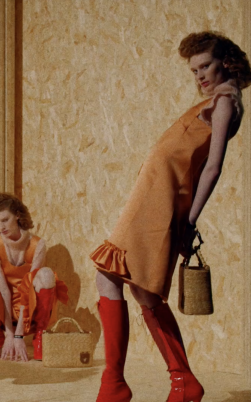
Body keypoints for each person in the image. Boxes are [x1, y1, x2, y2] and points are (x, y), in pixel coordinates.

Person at [90, 31, 250, 402]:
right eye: (194, 71)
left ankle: (117, 384)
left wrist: (189, 222)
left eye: (205, 66)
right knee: (141, 290)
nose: (200, 76)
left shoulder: (225, 103)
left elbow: (212, 168)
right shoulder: (216, 101)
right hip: (152, 200)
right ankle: (180, 381)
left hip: (159, 206)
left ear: (226, 62)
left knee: (110, 276)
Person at [0, 193, 68, 362]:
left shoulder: (38, 244)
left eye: (5, 220)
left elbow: (28, 290)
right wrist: (9, 334)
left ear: (17, 215)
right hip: (3, 304)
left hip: (30, 305)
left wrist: (19, 335)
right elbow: (4, 289)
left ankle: (39, 337)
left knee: (46, 274)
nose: (1, 227)